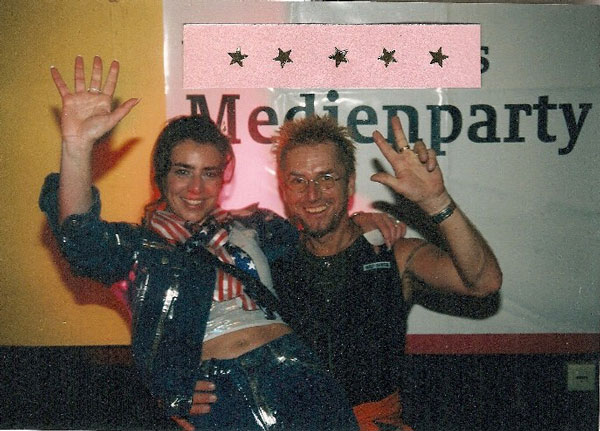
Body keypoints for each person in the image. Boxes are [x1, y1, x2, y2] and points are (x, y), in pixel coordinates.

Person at [40, 56, 407, 431]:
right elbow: (80, 239)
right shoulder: (137, 249)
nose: (196, 189)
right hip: (219, 394)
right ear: (161, 175)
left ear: (223, 177)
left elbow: (319, 231)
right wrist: (76, 147)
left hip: (298, 375)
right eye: (183, 171)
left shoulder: (255, 226)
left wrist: (359, 220)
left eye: (209, 173)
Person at [189, 115, 503, 431]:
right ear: (284, 190)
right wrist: (172, 390)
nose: (312, 195)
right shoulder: (265, 260)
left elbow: (484, 282)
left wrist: (437, 202)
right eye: (298, 181)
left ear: (350, 183)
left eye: (326, 178)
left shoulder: (394, 254)